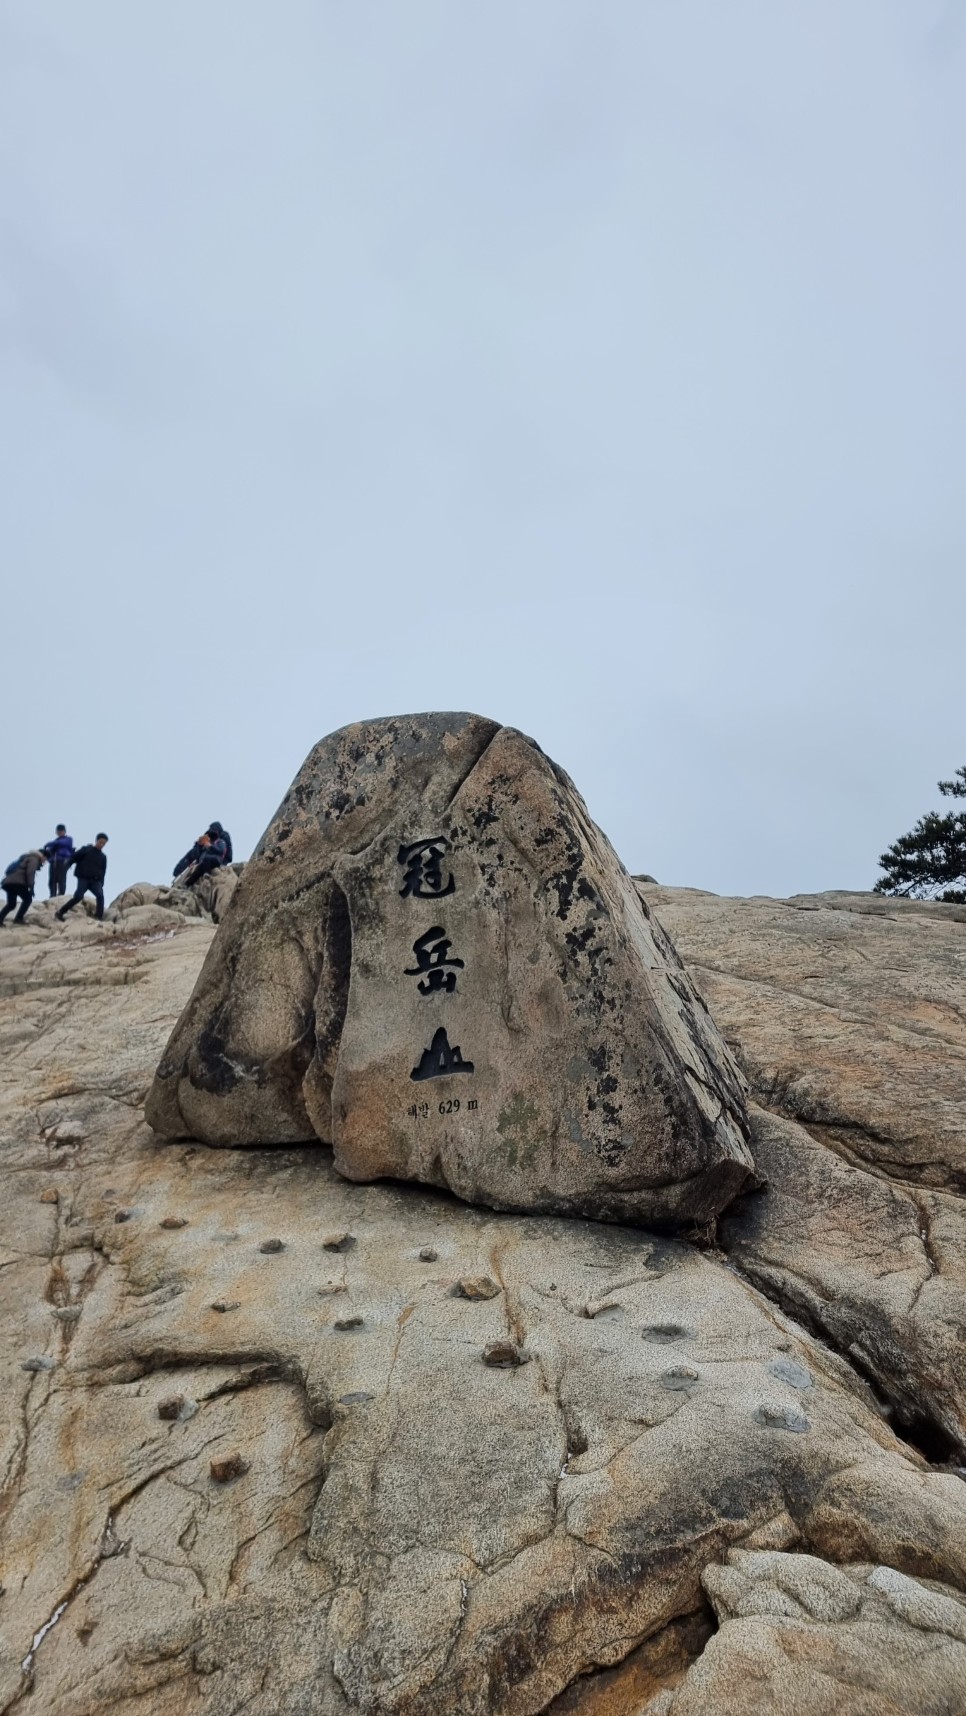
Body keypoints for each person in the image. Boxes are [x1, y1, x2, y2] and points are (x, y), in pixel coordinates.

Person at [56, 834, 109, 923]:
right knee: (78, 897)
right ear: (96, 841)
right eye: (100, 842)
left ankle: (98, 917)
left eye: (104, 843)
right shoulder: (86, 849)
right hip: (83, 879)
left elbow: (103, 871)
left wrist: (101, 882)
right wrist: (67, 865)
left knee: (100, 896)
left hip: (95, 881)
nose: (102, 844)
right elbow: (74, 857)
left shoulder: (103, 857)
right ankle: (60, 912)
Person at [0, 850, 47, 926]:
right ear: (42, 856)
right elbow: (30, 873)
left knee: (11, 904)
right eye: (45, 859)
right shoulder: (34, 859)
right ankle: (18, 919)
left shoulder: (25, 858)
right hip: (17, 882)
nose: (45, 862)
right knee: (28, 899)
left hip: (8, 883)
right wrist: (31, 887)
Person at [43, 824, 75, 897]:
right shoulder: (55, 842)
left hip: (63, 861)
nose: (60, 832)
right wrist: (49, 859)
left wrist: (51, 843)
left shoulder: (69, 839)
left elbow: (63, 843)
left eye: (62, 831)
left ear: (64, 831)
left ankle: (61, 894)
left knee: (61, 879)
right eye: (59, 831)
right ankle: (52, 895)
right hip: (54, 862)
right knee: (52, 880)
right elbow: (49, 852)